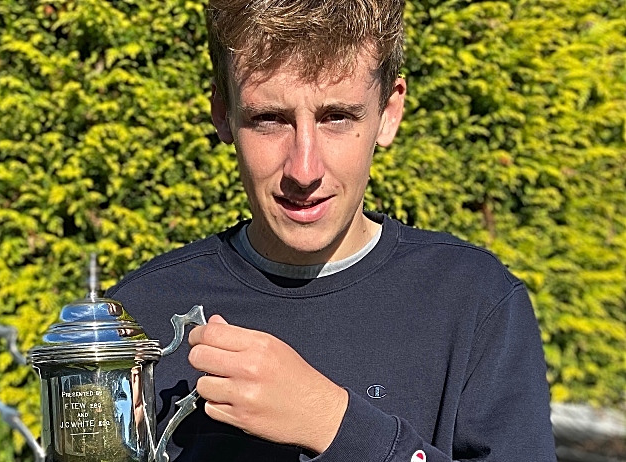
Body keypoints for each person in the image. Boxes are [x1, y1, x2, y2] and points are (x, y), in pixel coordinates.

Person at [106, 0, 556, 460]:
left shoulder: (475, 302)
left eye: (337, 117)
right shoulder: (140, 318)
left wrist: (332, 422)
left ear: (388, 113)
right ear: (223, 115)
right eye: (270, 119)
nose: (304, 169)